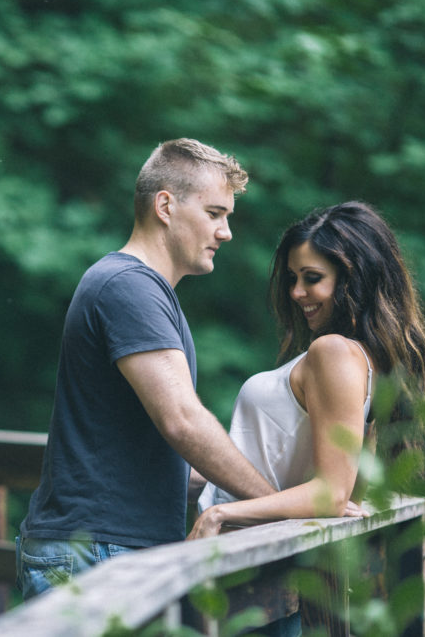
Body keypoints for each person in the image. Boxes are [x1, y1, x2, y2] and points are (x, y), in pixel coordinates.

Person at [16, 138, 278, 600]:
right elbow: (183, 421)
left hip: (107, 549)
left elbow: (159, 454)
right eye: (214, 213)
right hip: (93, 553)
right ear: (165, 206)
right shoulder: (128, 287)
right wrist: (275, 505)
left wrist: (282, 488)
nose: (226, 232)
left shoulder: (142, 289)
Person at [190, 201, 425, 632]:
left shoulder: (334, 353)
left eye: (312, 278)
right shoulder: (364, 361)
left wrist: (220, 514)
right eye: (293, 278)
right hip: (263, 574)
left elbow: (332, 495)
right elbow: (346, 488)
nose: (296, 292)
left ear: (352, 278)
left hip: (245, 573)